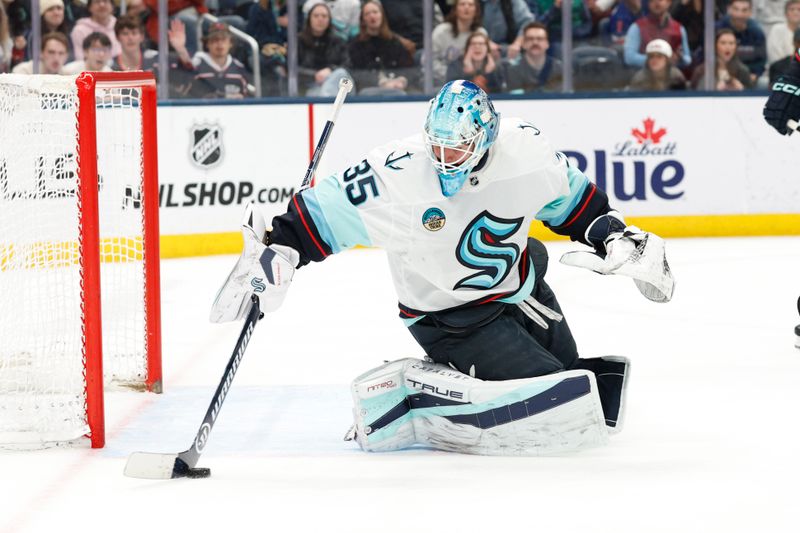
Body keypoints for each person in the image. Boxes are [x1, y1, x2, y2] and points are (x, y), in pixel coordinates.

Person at [209, 80, 675, 455]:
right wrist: (279, 251)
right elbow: (319, 215)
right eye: (439, 147)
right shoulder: (397, 173)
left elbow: (575, 203)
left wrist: (614, 235)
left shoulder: (526, 150)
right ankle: (417, 394)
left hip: (519, 287)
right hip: (449, 319)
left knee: (577, 384)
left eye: (458, 149)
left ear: (487, 137)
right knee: (554, 407)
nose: (444, 159)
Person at [347, 0, 416, 95]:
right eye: (367, 14)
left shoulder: (395, 42)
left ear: (382, 16)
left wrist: (401, 80)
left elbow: (410, 69)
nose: (372, 16)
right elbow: (355, 74)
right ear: (363, 19)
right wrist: (381, 82)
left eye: (375, 12)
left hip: (397, 87)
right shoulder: (356, 45)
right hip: (368, 91)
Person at [175, 21, 254, 99]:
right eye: (215, 40)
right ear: (207, 43)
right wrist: (180, 49)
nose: (220, 44)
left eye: (223, 40)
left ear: (231, 43)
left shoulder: (239, 68)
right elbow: (187, 67)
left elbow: (245, 99)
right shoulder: (197, 63)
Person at [297, 0, 351, 96]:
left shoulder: (338, 41)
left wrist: (330, 70)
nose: (320, 19)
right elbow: (292, 69)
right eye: (316, 16)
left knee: (341, 73)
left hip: (335, 86)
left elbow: (346, 65)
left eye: (324, 16)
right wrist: (314, 75)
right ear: (309, 19)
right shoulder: (298, 41)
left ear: (329, 19)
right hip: (308, 86)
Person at [431, 0, 487, 85]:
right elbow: (430, 62)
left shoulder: (481, 33)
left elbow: (484, 64)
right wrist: (452, 75)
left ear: (476, 10)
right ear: (455, 9)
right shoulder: (441, 32)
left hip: (472, 84)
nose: (466, 7)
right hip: (441, 82)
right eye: (462, 4)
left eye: (470, 5)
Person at [623, 0, 692, 69]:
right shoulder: (637, 27)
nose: (656, 2)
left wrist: (680, 59)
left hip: (671, 74)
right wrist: (659, 60)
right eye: (652, 0)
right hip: (645, 73)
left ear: (669, 2)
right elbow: (629, 58)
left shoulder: (679, 29)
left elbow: (688, 59)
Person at [716, 0, 767, 83]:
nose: (739, 15)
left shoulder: (756, 32)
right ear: (729, 9)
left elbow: (761, 60)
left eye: (744, 10)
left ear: (750, 12)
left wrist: (755, 74)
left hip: (747, 75)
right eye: (736, 9)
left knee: (762, 83)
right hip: (718, 74)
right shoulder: (717, 28)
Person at [505, 21, 563, 93]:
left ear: (547, 44)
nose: (535, 42)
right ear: (523, 44)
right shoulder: (514, 70)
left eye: (540, 39)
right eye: (530, 39)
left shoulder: (559, 68)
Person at [767, 0, 800, 66]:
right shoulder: (776, 29)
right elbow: (774, 56)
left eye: (799, 9)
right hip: (779, 69)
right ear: (786, 13)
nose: (796, 12)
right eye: (792, 9)